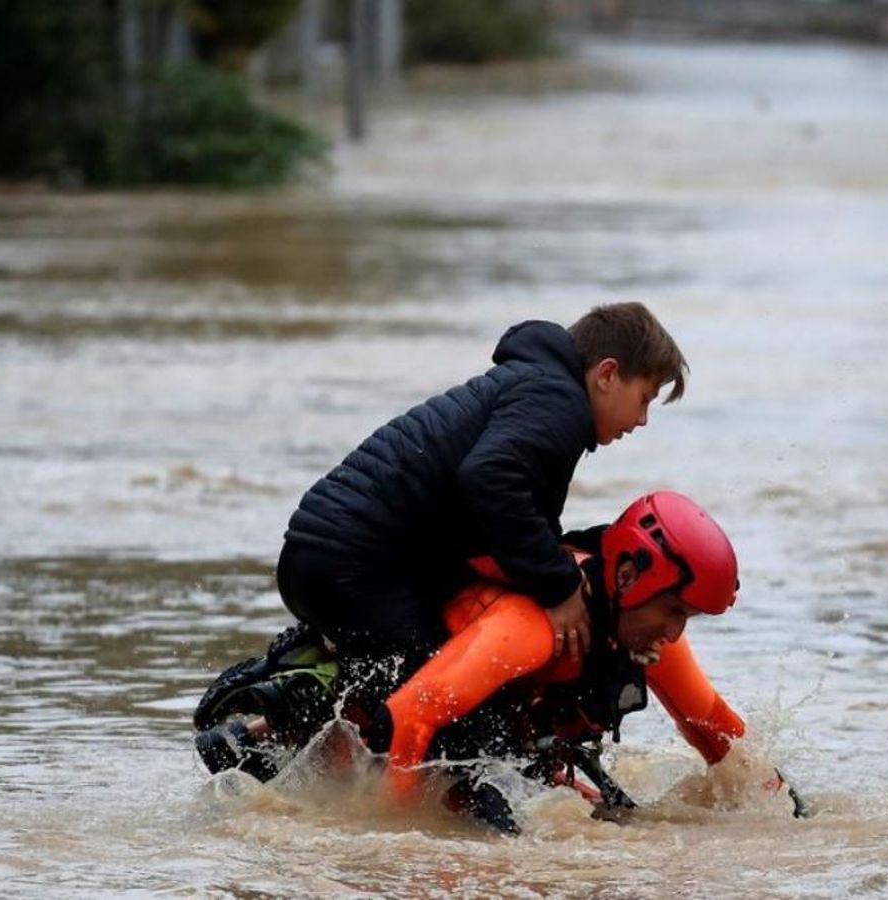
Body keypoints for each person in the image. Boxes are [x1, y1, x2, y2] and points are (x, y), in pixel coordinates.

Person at [195, 491, 805, 832]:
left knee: (617, 826)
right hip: (388, 736)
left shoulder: (645, 634)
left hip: (487, 748)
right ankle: (260, 727)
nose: (674, 632)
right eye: (672, 611)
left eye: (688, 620)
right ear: (625, 575)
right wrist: (403, 841)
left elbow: (716, 730)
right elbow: (408, 720)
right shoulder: (529, 629)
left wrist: (791, 809)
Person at [276, 302, 687, 708]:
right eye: (645, 398)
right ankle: (297, 735)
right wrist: (559, 586)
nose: (642, 420)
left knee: (419, 685)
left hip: (324, 557)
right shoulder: (558, 401)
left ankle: (268, 727)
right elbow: (489, 478)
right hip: (353, 565)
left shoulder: (539, 387)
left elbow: (515, 517)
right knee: (450, 705)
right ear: (608, 374)